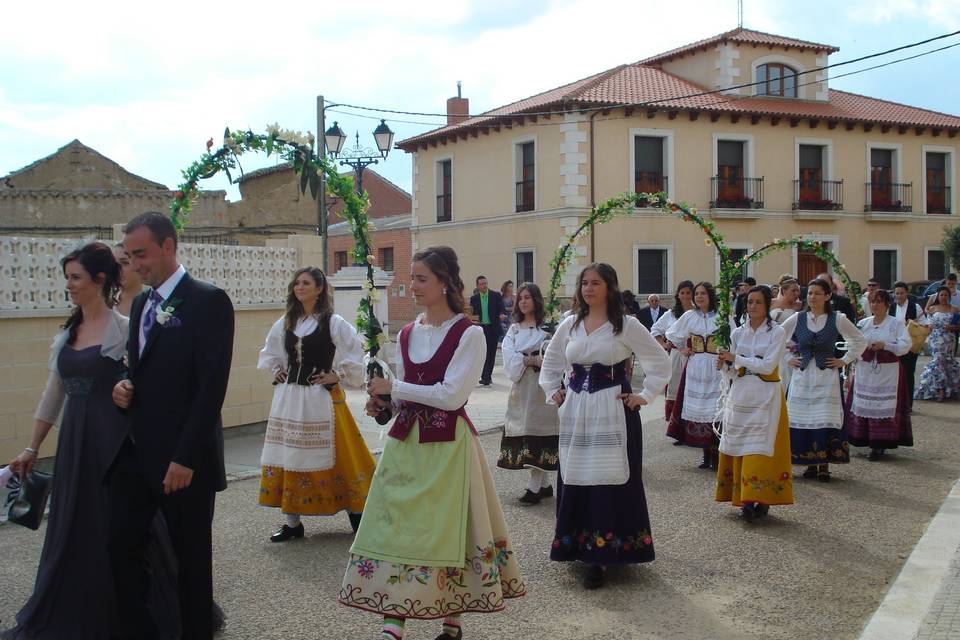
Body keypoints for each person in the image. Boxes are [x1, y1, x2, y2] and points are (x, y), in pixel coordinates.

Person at [4, 243, 223, 639]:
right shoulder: (67, 333)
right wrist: (32, 447)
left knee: (126, 533)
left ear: (99, 279)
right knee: (77, 526)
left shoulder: (125, 327)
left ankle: (146, 616)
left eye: (76, 277)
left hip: (115, 440)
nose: (69, 285)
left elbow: (147, 382)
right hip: (76, 442)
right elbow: (52, 394)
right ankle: (76, 607)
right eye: (67, 277)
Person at [340, 246, 524, 640]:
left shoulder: (470, 334)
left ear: (445, 283)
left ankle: (452, 622)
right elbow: (408, 396)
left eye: (421, 279)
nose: (413, 286)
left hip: (447, 444)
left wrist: (396, 386)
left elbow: (452, 396)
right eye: (413, 279)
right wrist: (385, 405)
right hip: (406, 443)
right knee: (398, 527)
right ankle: (394, 623)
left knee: (447, 530)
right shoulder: (407, 333)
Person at [111, 212, 234, 639]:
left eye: (141, 254)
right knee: (120, 545)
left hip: (184, 462)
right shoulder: (143, 303)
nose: (135, 264)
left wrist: (185, 458)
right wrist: (123, 386)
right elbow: (139, 369)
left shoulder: (208, 300)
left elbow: (210, 388)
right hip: (138, 453)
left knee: (190, 561)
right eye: (129, 256)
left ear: (168, 246)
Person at [539, 262, 669, 590]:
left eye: (595, 283)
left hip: (613, 409)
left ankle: (603, 554)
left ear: (609, 287)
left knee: (608, 478)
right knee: (577, 475)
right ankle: (577, 545)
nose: (588, 289)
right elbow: (552, 361)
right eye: (585, 283)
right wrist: (553, 390)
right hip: (577, 411)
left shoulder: (625, 326)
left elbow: (659, 361)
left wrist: (644, 395)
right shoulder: (570, 324)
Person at [257, 267, 374, 541]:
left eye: (306, 283)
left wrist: (339, 374)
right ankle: (292, 522)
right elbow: (270, 352)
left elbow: (356, 352)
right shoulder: (286, 322)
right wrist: (276, 369)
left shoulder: (333, 322)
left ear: (320, 288)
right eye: (297, 283)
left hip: (320, 399)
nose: (300, 287)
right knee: (287, 454)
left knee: (342, 454)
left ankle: (357, 513)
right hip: (288, 399)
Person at [715, 285, 793, 521]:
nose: (753, 306)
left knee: (759, 448)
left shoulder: (776, 332)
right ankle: (744, 498)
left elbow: (768, 365)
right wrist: (725, 366)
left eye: (758, 302)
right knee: (740, 445)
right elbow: (734, 370)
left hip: (765, 394)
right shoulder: (738, 333)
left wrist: (736, 359)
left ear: (768, 304)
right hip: (741, 393)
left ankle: (762, 496)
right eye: (750, 302)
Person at [780, 278, 866, 482]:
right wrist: (787, 358)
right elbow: (775, 337)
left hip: (826, 377)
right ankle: (807, 462)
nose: (812, 297)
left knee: (823, 416)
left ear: (828, 295)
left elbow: (859, 339)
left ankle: (823, 464)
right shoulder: (798, 318)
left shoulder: (837, 319)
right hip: (802, 377)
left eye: (817, 293)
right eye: (809, 293)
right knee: (802, 417)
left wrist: (844, 360)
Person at [497, 283, 559, 505]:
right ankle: (544, 485)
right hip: (522, 388)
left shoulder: (548, 328)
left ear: (536, 300)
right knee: (526, 432)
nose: (523, 301)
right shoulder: (513, 330)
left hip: (542, 389)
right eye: (520, 298)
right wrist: (527, 359)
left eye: (527, 297)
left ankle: (534, 487)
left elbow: (555, 354)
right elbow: (508, 355)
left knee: (538, 435)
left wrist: (542, 360)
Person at [846, 289, 912, 461]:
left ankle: (880, 443)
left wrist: (886, 345)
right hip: (866, 369)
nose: (874, 305)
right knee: (864, 402)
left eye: (878, 301)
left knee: (883, 406)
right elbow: (852, 342)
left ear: (887, 304)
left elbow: (906, 345)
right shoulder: (864, 323)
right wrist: (861, 348)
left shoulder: (896, 324)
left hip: (887, 371)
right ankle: (863, 437)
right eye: (872, 301)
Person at [666, 282, 723, 469]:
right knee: (699, 408)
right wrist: (683, 349)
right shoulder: (690, 316)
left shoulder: (722, 316)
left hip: (715, 367)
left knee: (715, 408)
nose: (699, 297)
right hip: (696, 365)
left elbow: (733, 339)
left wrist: (726, 356)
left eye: (703, 294)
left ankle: (716, 453)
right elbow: (672, 333)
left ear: (711, 296)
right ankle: (706, 454)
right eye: (697, 294)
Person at [651, 281, 695, 425]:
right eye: (682, 293)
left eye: (688, 293)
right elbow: (655, 330)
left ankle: (692, 425)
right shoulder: (671, 314)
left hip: (695, 356)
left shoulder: (699, 312)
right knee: (676, 388)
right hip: (676, 355)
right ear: (678, 295)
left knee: (692, 388)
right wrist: (664, 345)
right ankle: (676, 426)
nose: (685, 296)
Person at [915, 287, 960, 402]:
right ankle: (939, 390)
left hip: (949, 339)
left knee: (948, 361)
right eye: (941, 295)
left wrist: (953, 327)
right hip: (936, 339)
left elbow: (958, 326)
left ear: (949, 297)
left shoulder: (955, 309)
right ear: (937, 297)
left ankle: (951, 388)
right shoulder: (932, 309)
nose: (943, 297)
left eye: (945, 295)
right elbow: (928, 324)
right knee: (938, 360)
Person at [891, 281, 924, 409]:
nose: (899, 296)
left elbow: (924, 324)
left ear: (907, 294)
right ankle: (896, 403)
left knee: (908, 374)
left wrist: (912, 325)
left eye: (902, 293)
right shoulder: (891, 307)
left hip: (910, 346)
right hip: (894, 346)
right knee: (895, 374)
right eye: (897, 293)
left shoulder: (915, 307)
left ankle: (908, 404)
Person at [469, 275, 505, 386]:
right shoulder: (474, 299)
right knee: (482, 352)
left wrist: (501, 315)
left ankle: (487, 376)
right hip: (481, 328)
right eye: (482, 284)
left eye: (485, 283)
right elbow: (471, 314)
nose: (484, 286)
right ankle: (485, 375)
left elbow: (502, 308)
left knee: (491, 353)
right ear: (477, 286)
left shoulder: (495, 296)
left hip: (492, 328)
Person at [771, 279, 803, 391]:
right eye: (793, 290)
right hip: (773, 345)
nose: (796, 294)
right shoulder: (772, 303)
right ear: (783, 291)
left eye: (798, 291)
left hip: (790, 347)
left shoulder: (800, 306)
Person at [113, 242, 144, 317]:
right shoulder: (106, 303)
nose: (117, 269)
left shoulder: (152, 304)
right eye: (113, 264)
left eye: (124, 263)